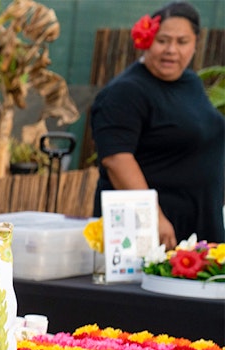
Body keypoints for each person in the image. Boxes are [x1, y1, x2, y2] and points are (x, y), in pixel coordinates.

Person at [91, 2, 225, 249]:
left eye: (182, 42)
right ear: (146, 40)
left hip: (198, 224)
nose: (171, 50)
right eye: (162, 41)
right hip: (152, 232)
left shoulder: (190, 82)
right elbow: (117, 160)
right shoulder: (126, 92)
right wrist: (151, 217)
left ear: (195, 42)